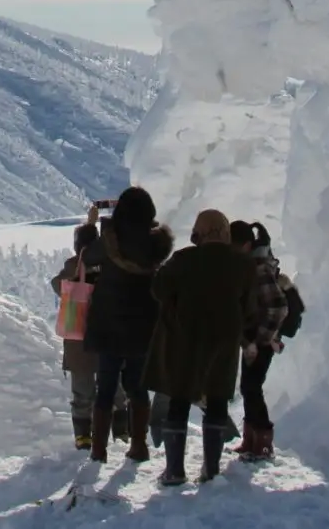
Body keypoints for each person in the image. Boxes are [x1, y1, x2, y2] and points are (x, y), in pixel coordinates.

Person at [143, 209, 257, 485]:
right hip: (226, 338)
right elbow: (249, 305)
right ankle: (211, 470)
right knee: (217, 398)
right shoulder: (242, 264)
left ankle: (175, 471)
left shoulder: (184, 259)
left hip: (185, 337)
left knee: (179, 399)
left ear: (199, 233)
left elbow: (158, 289)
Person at [81, 186, 174, 464]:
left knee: (106, 387)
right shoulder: (156, 243)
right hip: (143, 323)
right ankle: (139, 445)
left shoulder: (110, 238)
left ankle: (98, 450)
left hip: (108, 322)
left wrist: (90, 227)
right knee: (137, 386)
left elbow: (87, 257)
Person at [49, 212, 129, 449]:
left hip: (78, 338)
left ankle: (83, 437)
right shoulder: (113, 264)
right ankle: (122, 433)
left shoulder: (74, 266)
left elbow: (57, 285)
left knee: (82, 391)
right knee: (115, 389)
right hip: (110, 336)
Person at [229, 219, 289, 461]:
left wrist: (262, 339)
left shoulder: (258, 268)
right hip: (254, 337)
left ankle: (262, 444)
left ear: (244, 245)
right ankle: (251, 442)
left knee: (252, 387)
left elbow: (278, 307)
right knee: (248, 386)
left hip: (263, 338)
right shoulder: (249, 264)